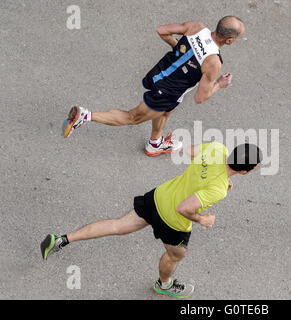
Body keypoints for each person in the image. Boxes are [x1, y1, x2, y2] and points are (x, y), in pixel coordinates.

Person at [40, 142, 262, 298]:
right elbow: (184, 208)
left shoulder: (217, 148)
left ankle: (61, 239)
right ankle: (164, 285)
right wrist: (202, 219)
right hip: (172, 221)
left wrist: (211, 176)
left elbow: (191, 153)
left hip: (158, 196)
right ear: (245, 172)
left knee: (118, 225)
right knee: (177, 254)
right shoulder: (218, 189)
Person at [62, 16, 245, 157]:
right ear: (229, 40)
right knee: (132, 117)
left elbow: (162, 30)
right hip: (166, 91)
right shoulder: (213, 62)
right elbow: (200, 97)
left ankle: (155, 144)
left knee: (165, 111)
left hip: (159, 73)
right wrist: (220, 84)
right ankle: (84, 116)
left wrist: (180, 48)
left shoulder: (196, 26)